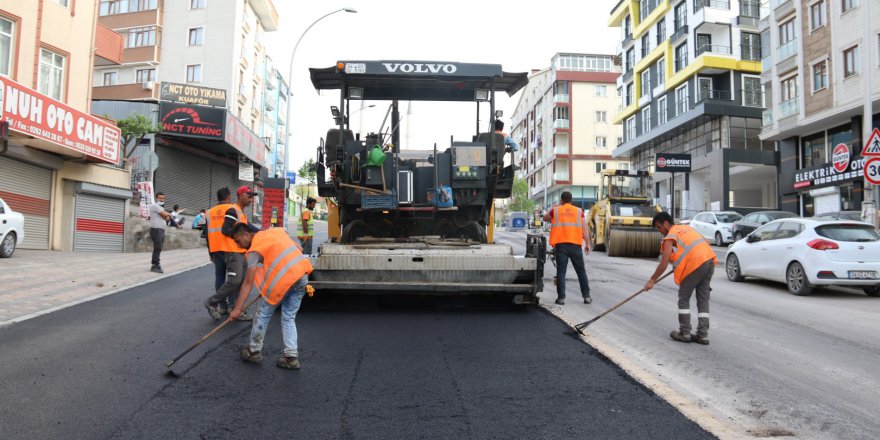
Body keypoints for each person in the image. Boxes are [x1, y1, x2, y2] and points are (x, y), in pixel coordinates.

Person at [229, 222, 313, 370]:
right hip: (302, 277)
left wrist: (237, 309)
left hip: (284, 282)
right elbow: (299, 248)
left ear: (246, 235)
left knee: (263, 314)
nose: (239, 246)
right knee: (288, 317)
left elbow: (248, 283)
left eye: (238, 241)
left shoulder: (254, 250)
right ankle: (291, 357)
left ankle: (254, 351)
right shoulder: (275, 232)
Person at [644, 212, 717, 345]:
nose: (660, 231)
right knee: (703, 299)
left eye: (659, 227)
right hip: (709, 261)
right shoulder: (687, 228)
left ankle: (685, 332)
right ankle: (703, 334)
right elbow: (701, 245)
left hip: (696, 264)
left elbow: (663, 263)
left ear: (666, 223)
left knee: (684, 297)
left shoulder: (671, 235)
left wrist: (652, 280)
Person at [204, 186, 257, 321]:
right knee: (235, 280)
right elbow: (227, 229)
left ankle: (226, 307)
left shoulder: (210, 212)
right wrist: (239, 240)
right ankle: (216, 303)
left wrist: (210, 251)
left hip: (218, 249)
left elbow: (206, 233)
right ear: (230, 197)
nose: (251, 199)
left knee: (223, 278)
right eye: (249, 196)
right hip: (232, 249)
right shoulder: (232, 209)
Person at [543, 191, 591, 305]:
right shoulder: (579, 212)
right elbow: (584, 230)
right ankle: (587, 297)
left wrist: (553, 207)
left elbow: (545, 218)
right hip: (575, 245)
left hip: (561, 246)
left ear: (561, 201)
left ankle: (561, 298)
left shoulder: (556, 210)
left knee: (561, 272)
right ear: (571, 200)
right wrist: (588, 244)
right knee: (581, 272)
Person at [149, 193, 172, 273]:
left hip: (161, 229)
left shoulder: (160, 208)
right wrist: (167, 214)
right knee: (157, 247)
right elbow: (166, 215)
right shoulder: (155, 206)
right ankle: (155, 264)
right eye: (160, 198)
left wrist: (166, 215)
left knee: (159, 247)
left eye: (163, 198)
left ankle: (155, 264)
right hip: (156, 229)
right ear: (156, 198)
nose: (161, 200)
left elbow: (167, 218)